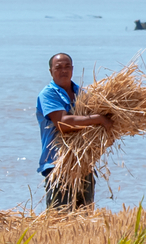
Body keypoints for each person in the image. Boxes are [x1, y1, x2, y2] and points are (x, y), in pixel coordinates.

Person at [36, 53, 113, 209]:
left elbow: (97, 130)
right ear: (51, 71)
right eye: (58, 67)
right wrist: (99, 119)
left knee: (85, 220)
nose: (63, 70)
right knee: (60, 220)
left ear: (72, 69)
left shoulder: (82, 94)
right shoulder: (48, 94)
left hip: (84, 165)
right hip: (58, 165)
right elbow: (63, 123)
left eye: (67, 66)